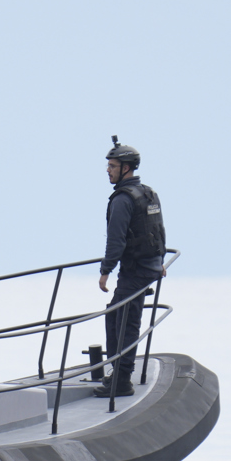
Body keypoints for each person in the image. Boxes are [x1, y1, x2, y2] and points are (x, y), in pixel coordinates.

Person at [96, 136, 167, 398]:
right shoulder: (147, 193)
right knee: (119, 315)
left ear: (126, 168)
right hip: (147, 268)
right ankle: (118, 371)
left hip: (135, 270)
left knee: (123, 320)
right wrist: (158, 263)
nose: (108, 170)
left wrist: (105, 271)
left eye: (112, 166)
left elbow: (116, 240)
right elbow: (159, 230)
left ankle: (121, 380)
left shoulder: (122, 200)